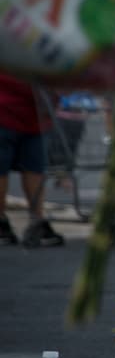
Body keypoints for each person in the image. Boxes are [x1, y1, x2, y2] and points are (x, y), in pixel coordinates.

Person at [0, 73, 65, 247]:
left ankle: (34, 220)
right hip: (20, 111)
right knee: (31, 169)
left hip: (34, 114)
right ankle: (33, 219)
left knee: (32, 169)